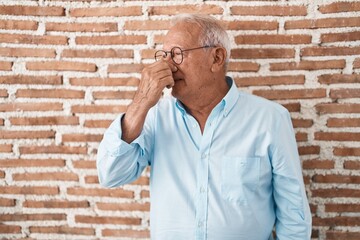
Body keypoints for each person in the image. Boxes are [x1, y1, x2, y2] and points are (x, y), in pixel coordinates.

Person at [97, 14, 312, 240]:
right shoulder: (155, 117)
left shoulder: (270, 119)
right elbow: (110, 175)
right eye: (164, 55)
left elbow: (294, 214)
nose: (167, 66)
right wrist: (141, 101)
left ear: (217, 58)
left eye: (177, 54)